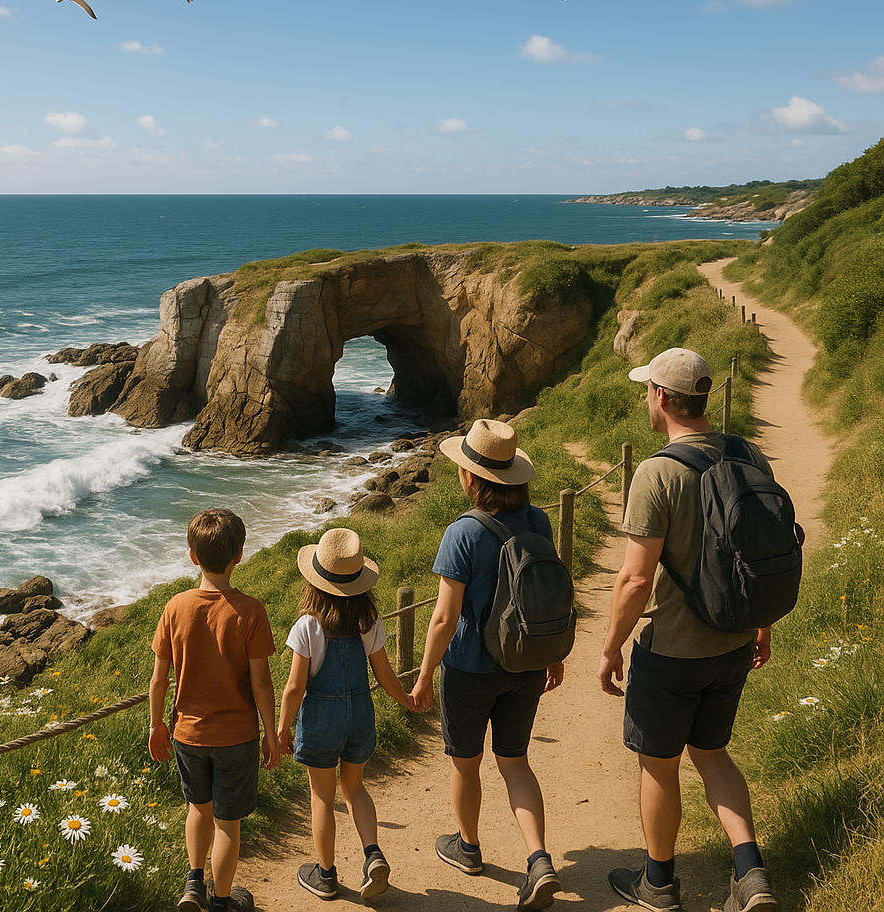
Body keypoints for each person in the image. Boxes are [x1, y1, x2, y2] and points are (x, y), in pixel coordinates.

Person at [597, 348, 779, 912]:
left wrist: (609, 648)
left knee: (660, 765)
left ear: (659, 396)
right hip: (733, 641)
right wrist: (761, 624)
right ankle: (752, 876)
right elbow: (763, 550)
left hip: (672, 651)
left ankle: (658, 884)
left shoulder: (657, 472)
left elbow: (633, 579)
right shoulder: (748, 455)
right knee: (714, 754)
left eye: (645, 390)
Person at [411, 419, 565, 912]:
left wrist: (422, 677)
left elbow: (443, 617)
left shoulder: (462, 532)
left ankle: (468, 846)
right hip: (526, 662)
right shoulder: (539, 521)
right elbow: (550, 593)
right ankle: (538, 858)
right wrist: (553, 654)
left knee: (466, 762)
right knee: (515, 762)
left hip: (469, 669)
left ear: (472, 479)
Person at [149, 508, 281, 912]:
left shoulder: (176, 607)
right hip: (237, 736)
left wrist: (157, 725)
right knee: (228, 824)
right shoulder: (251, 611)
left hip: (187, 733)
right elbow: (261, 683)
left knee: (198, 808)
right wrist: (272, 734)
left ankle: (193, 885)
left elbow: (158, 679)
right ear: (239, 554)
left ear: (192, 555)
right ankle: (222, 901)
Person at [277, 527, 417, 902]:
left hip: (322, 721)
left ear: (315, 583)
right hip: (359, 718)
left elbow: (294, 687)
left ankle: (325, 875)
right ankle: (373, 855)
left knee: (322, 797)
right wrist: (407, 699)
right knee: (354, 788)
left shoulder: (308, 627)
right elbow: (385, 676)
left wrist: (281, 728)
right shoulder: (368, 623)